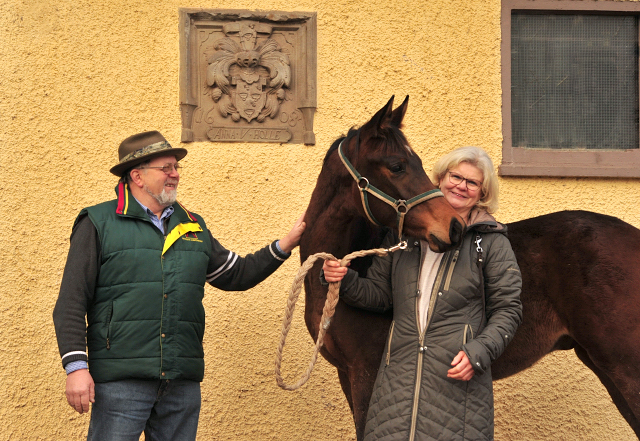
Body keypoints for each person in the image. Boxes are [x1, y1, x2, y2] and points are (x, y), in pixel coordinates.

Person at [53, 131, 306, 441]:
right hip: (121, 384)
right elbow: (70, 304)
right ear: (137, 176)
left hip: (180, 383)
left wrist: (286, 243)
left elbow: (236, 274)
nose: (175, 175)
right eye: (166, 168)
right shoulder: (97, 223)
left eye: (176, 168)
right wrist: (76, 368)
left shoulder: (193, 226)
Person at [322, 146, 522, 441]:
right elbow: (380, 295)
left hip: (455, 383)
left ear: (482, 193)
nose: (461, 186)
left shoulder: (491, 242)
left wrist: (479, 352)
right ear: (440, 180)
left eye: (472, 183)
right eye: (455, 176)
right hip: (397, 385)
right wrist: (346, 280)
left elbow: (509, 309)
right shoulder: (404, 237)